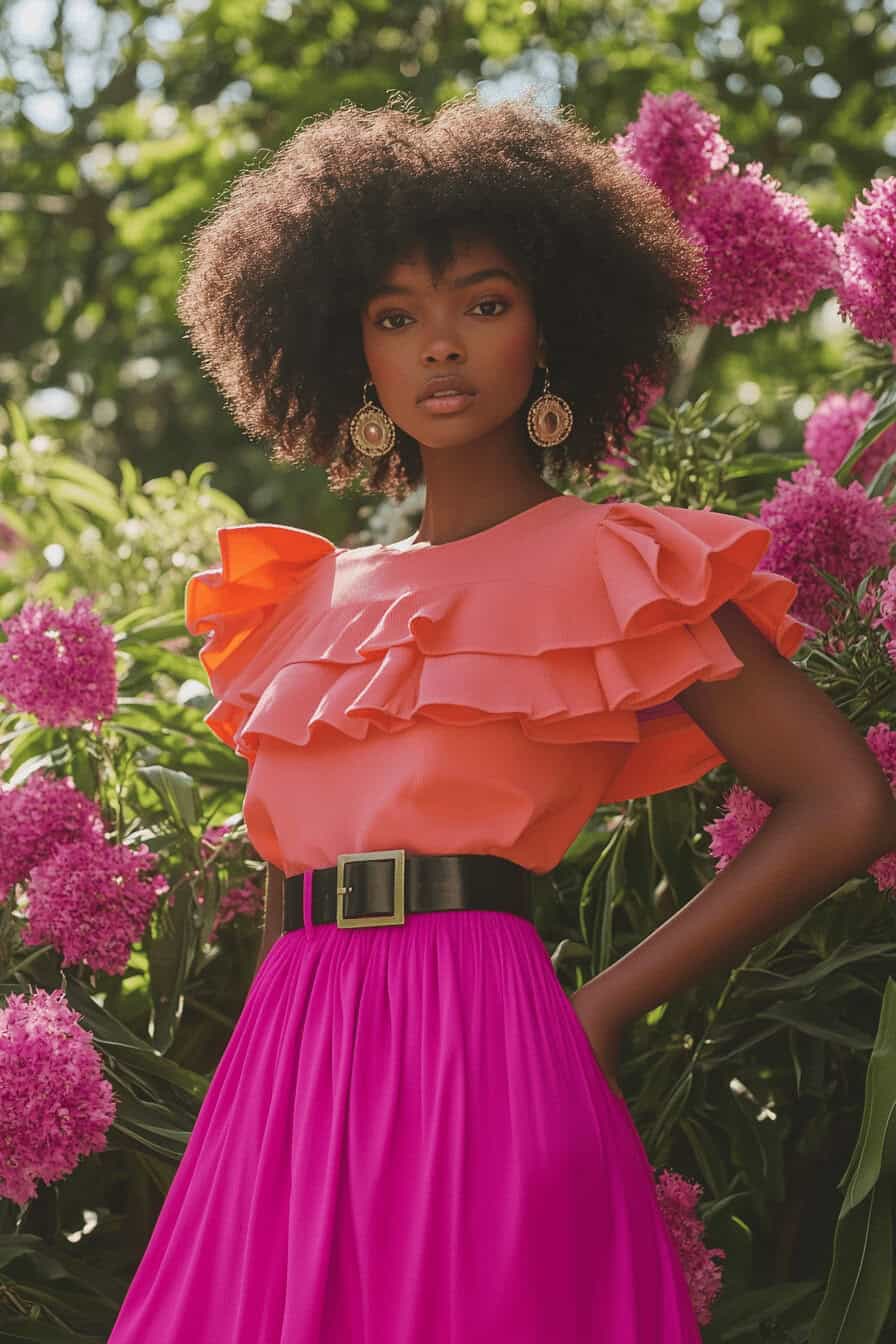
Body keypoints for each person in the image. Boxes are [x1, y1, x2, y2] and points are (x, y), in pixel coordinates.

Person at [107, 91, 896, 1343]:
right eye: (393, 316)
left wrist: (603, 1003)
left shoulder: (615, 562)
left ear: (551, 327)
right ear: (342, 350)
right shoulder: (297, 599)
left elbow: (844, 801)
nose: (438, 346)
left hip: (487, 1043)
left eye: (482, 304)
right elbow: (280, 877)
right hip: (288, 1065)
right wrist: (261, 1087)